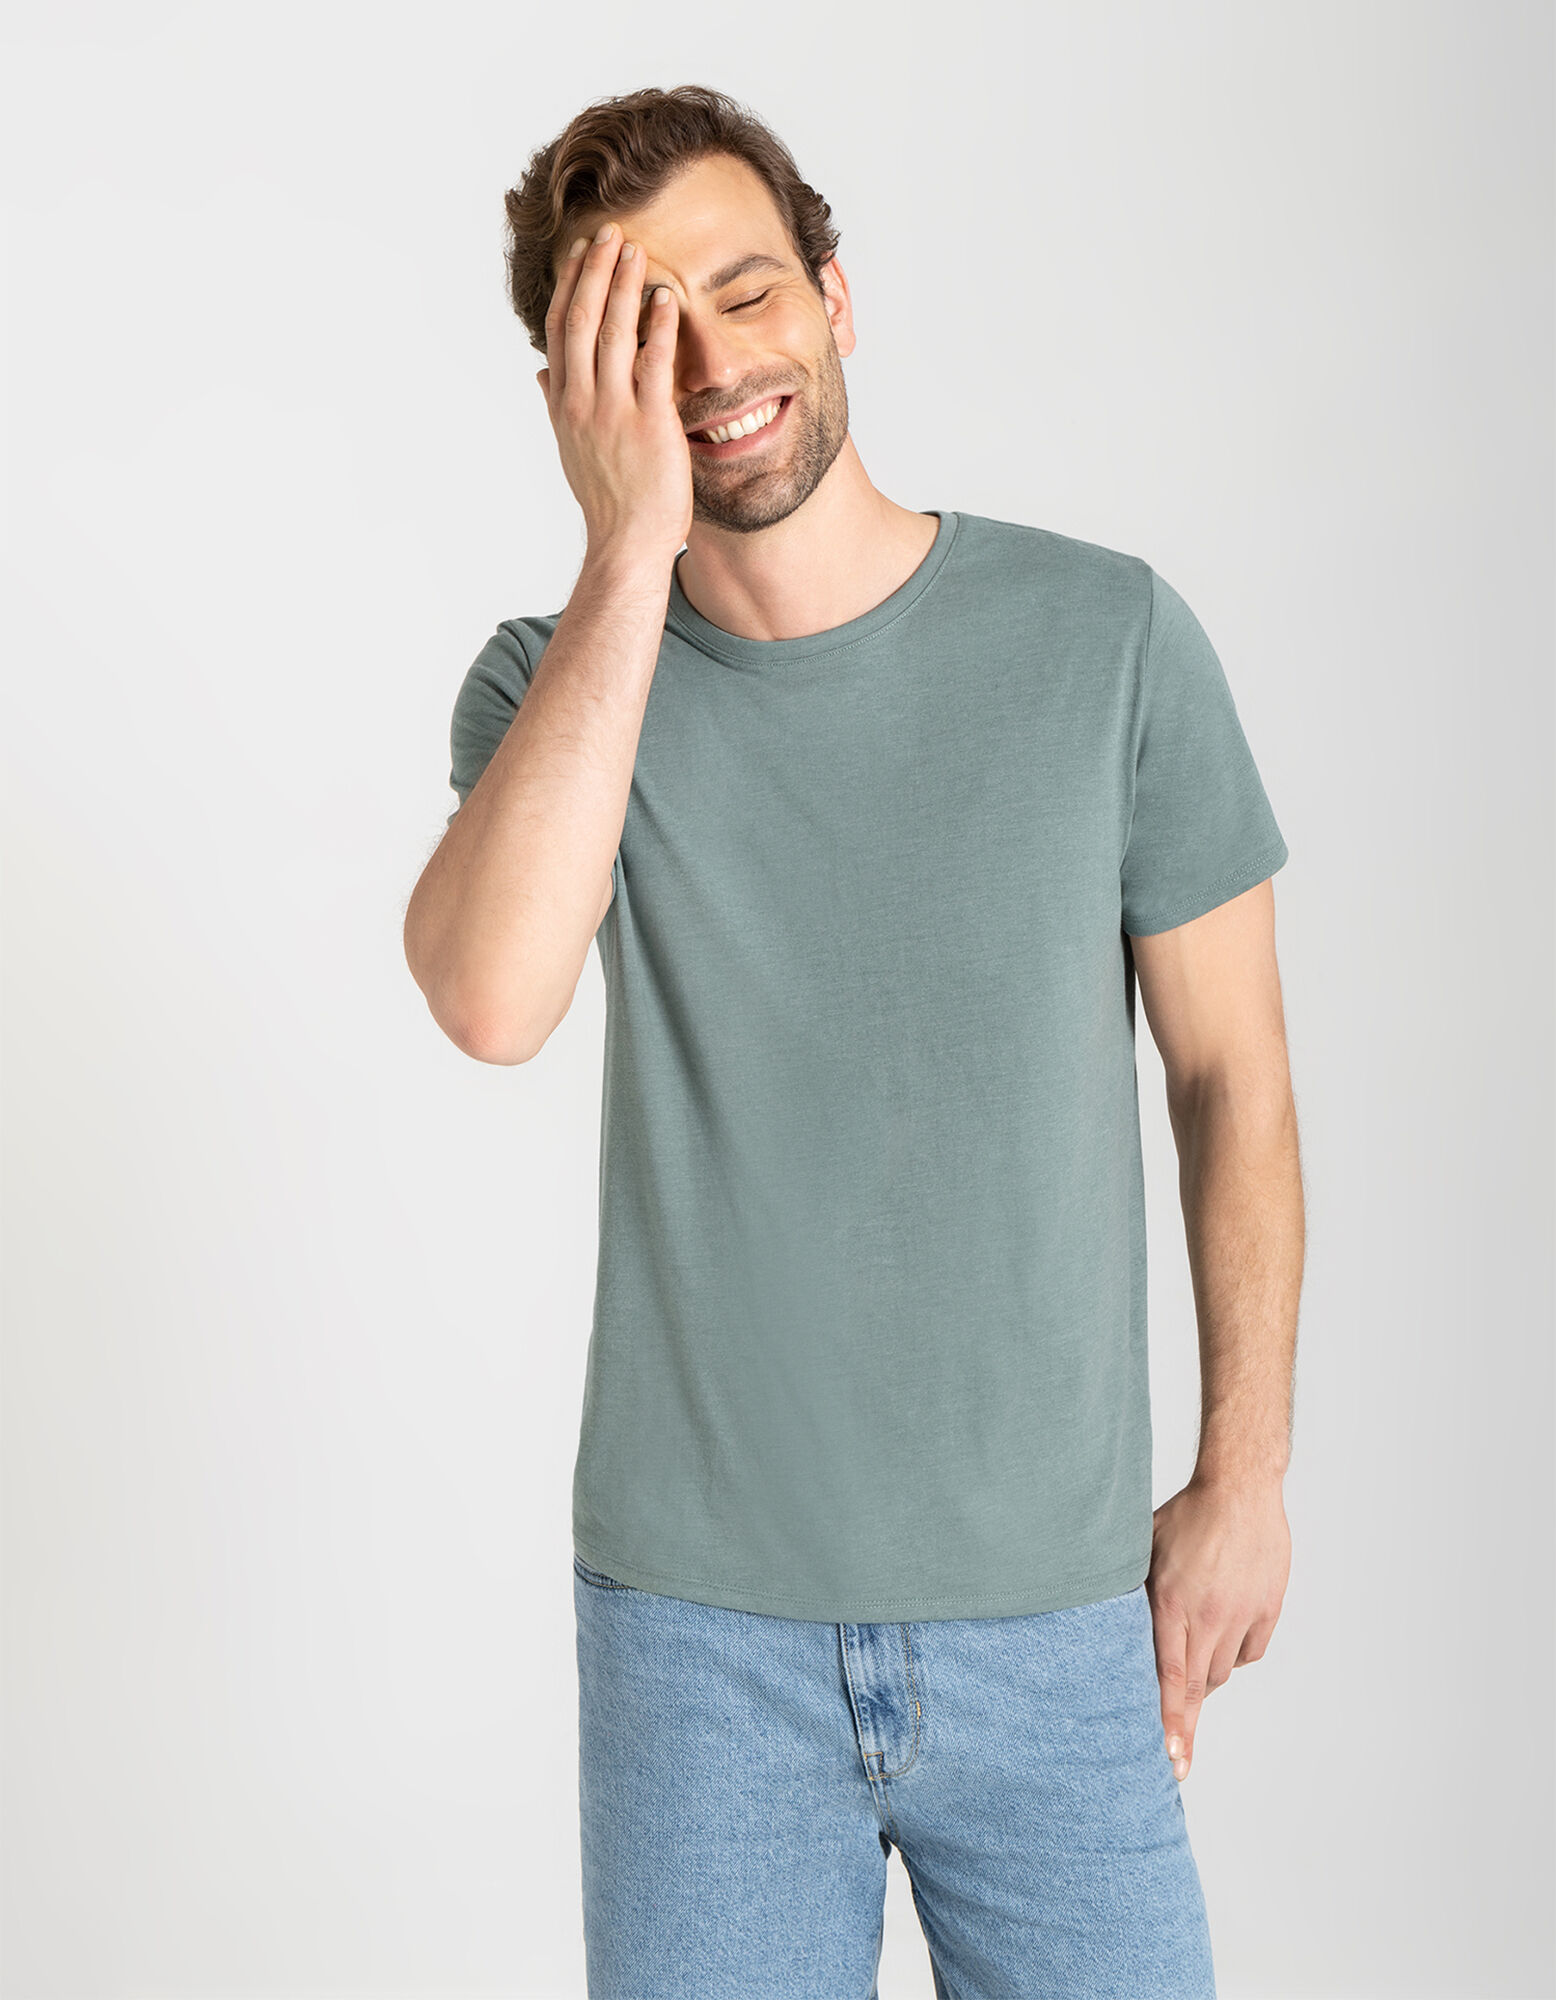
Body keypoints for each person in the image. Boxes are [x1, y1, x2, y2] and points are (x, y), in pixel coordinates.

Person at [403, 82, 1304, 2000]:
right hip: (697, 1645)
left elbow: (1233, 1080)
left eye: (746, 291)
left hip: (1056, 1621)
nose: (715, 364)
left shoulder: (1109, 640)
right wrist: (625, 554)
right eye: (642, 333)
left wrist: (1244, 1477)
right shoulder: (551, 688)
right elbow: (489, 998)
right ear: (572, 394)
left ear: (834, 292)